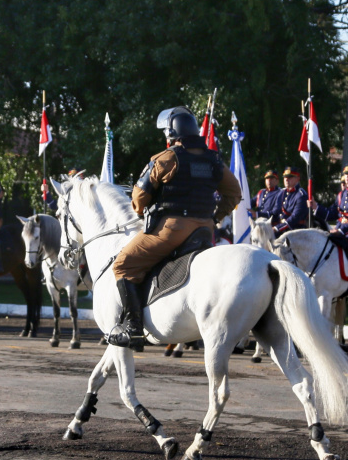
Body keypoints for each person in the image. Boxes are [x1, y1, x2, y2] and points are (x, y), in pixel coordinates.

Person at [110, 106, 242, 348]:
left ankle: (133, 329)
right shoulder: (214, 160)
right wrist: (214, 217)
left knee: (123, 264)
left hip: (171, 231)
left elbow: (139, 199)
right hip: (204, 230)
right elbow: (234, 193)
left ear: (172, 134)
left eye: (165, 133)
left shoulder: (166, 159)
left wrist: (143, 212)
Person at [309, 163, 348, 295]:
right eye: (346, 174)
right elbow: (332, 213)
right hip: (338, 231)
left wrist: (341, 231)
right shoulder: (341, 194)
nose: (347, 177)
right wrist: (316, 207)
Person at [270, 166, 309, 236]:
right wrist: (258, 214)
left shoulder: (301, 195)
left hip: (296, 231)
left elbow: (294, 218)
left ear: (297, 179)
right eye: (285, 177)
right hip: (282, 230)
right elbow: (275, 212)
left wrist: (276, 228)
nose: (287, 179)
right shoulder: (281, 193)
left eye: (290, 177)